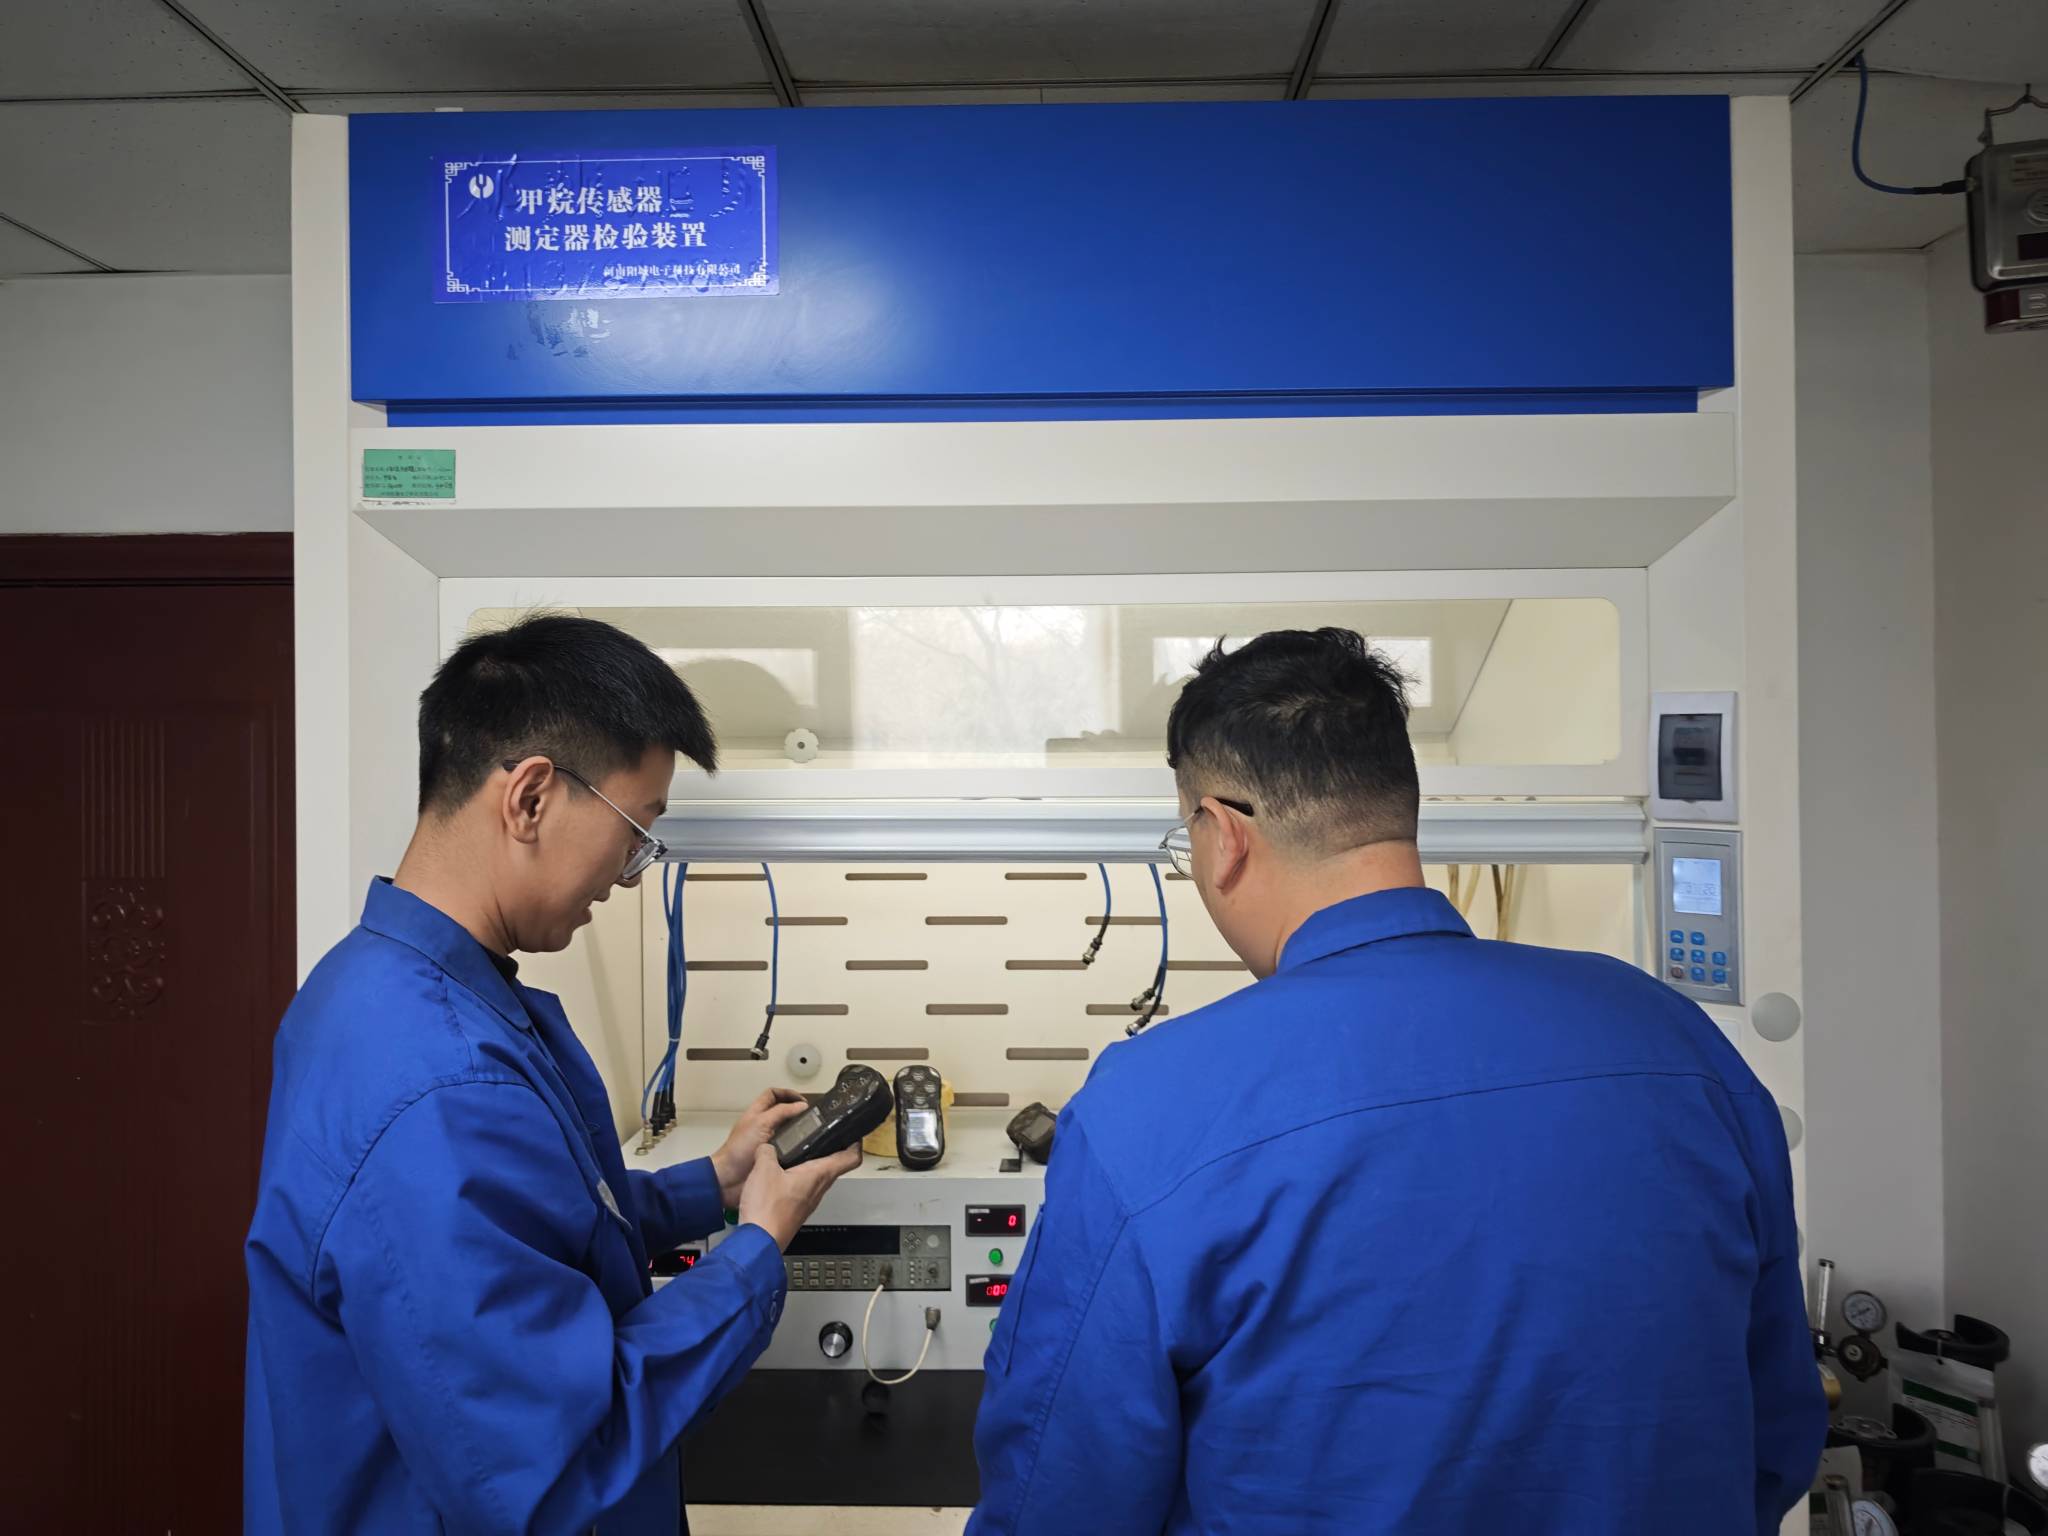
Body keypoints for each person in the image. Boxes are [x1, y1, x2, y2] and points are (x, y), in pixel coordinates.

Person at [969, 628, 1825, 1534]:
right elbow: (1774, 1433)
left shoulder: (1145, 1109)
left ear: (1223, 836)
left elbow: (1058, 1498)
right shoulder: (1677, 1041)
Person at [244, 614, 860, 1533]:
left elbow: (534, 1227)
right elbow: (555, 1464)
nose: (630, 875)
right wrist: (755, 1250)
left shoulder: (374, 988)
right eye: (635, 831)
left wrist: (715, 1184)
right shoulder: (445, 1084)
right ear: (530, 797)